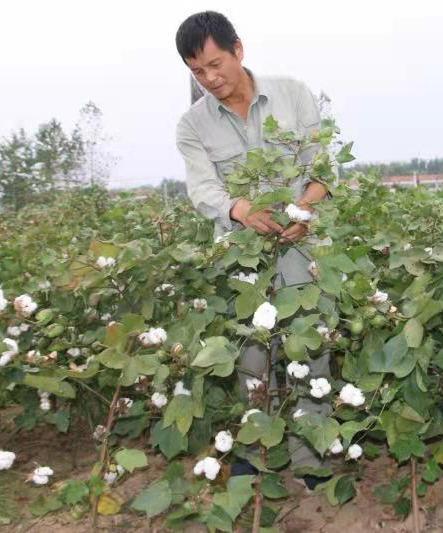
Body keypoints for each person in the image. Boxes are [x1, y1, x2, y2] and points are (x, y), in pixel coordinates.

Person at [174, 11, 332, 488]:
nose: (210, 79)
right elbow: (204, 191)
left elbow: (322, 167)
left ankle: (310, 460)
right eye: (197, 72)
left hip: (303, 247)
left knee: (310, 349)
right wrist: (241, 209)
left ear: (238, 50)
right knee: (250, 358)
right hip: (242, 253)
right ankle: (256, 451)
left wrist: (303, 211)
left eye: (216, 65)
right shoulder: (192, 125)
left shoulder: (293, 94)